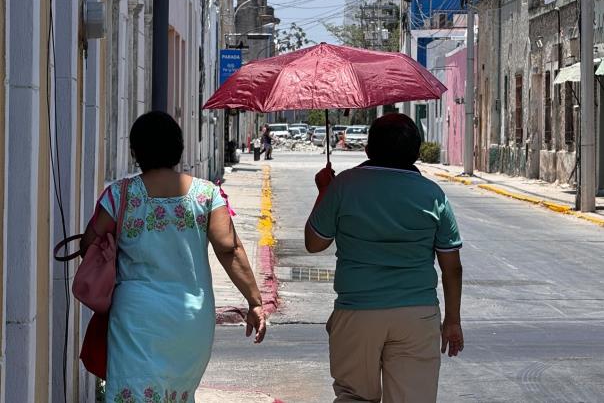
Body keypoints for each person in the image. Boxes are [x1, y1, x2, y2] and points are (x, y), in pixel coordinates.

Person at [80, 111, 266, 402]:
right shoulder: (208, 194)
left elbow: (89, 245)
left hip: (136, 319)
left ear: (135, 151)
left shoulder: (120, 194)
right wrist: (255, 302)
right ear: (178, 148)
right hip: (190, 320)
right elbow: (228, 248)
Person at [305, 113, 463, 403]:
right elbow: (451, 268)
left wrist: (325, 191)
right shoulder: (433, 195)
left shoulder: (344, 186)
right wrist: (452, 320)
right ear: (417, 153)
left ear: (367, 150)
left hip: (357, 313)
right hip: (417, 315)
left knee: (354, 397)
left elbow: (314, 243)